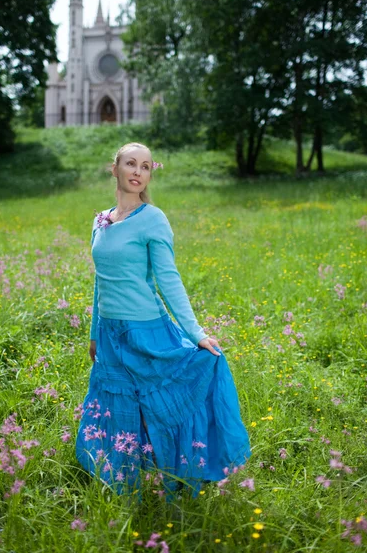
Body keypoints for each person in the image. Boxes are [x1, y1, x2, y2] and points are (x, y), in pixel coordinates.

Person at [75, 142, 252, 500]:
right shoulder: (101, 221)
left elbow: (168, 279)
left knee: (160, 400)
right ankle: (124, 475)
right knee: (120, 403)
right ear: (115, 169)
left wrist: (196, 333)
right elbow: (100, 282)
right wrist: (95, 333)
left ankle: (182, 470)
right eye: (130, 164)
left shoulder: (153, 219)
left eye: (145, 166)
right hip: (111, 336)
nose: (138, 172)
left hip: (146, 330)